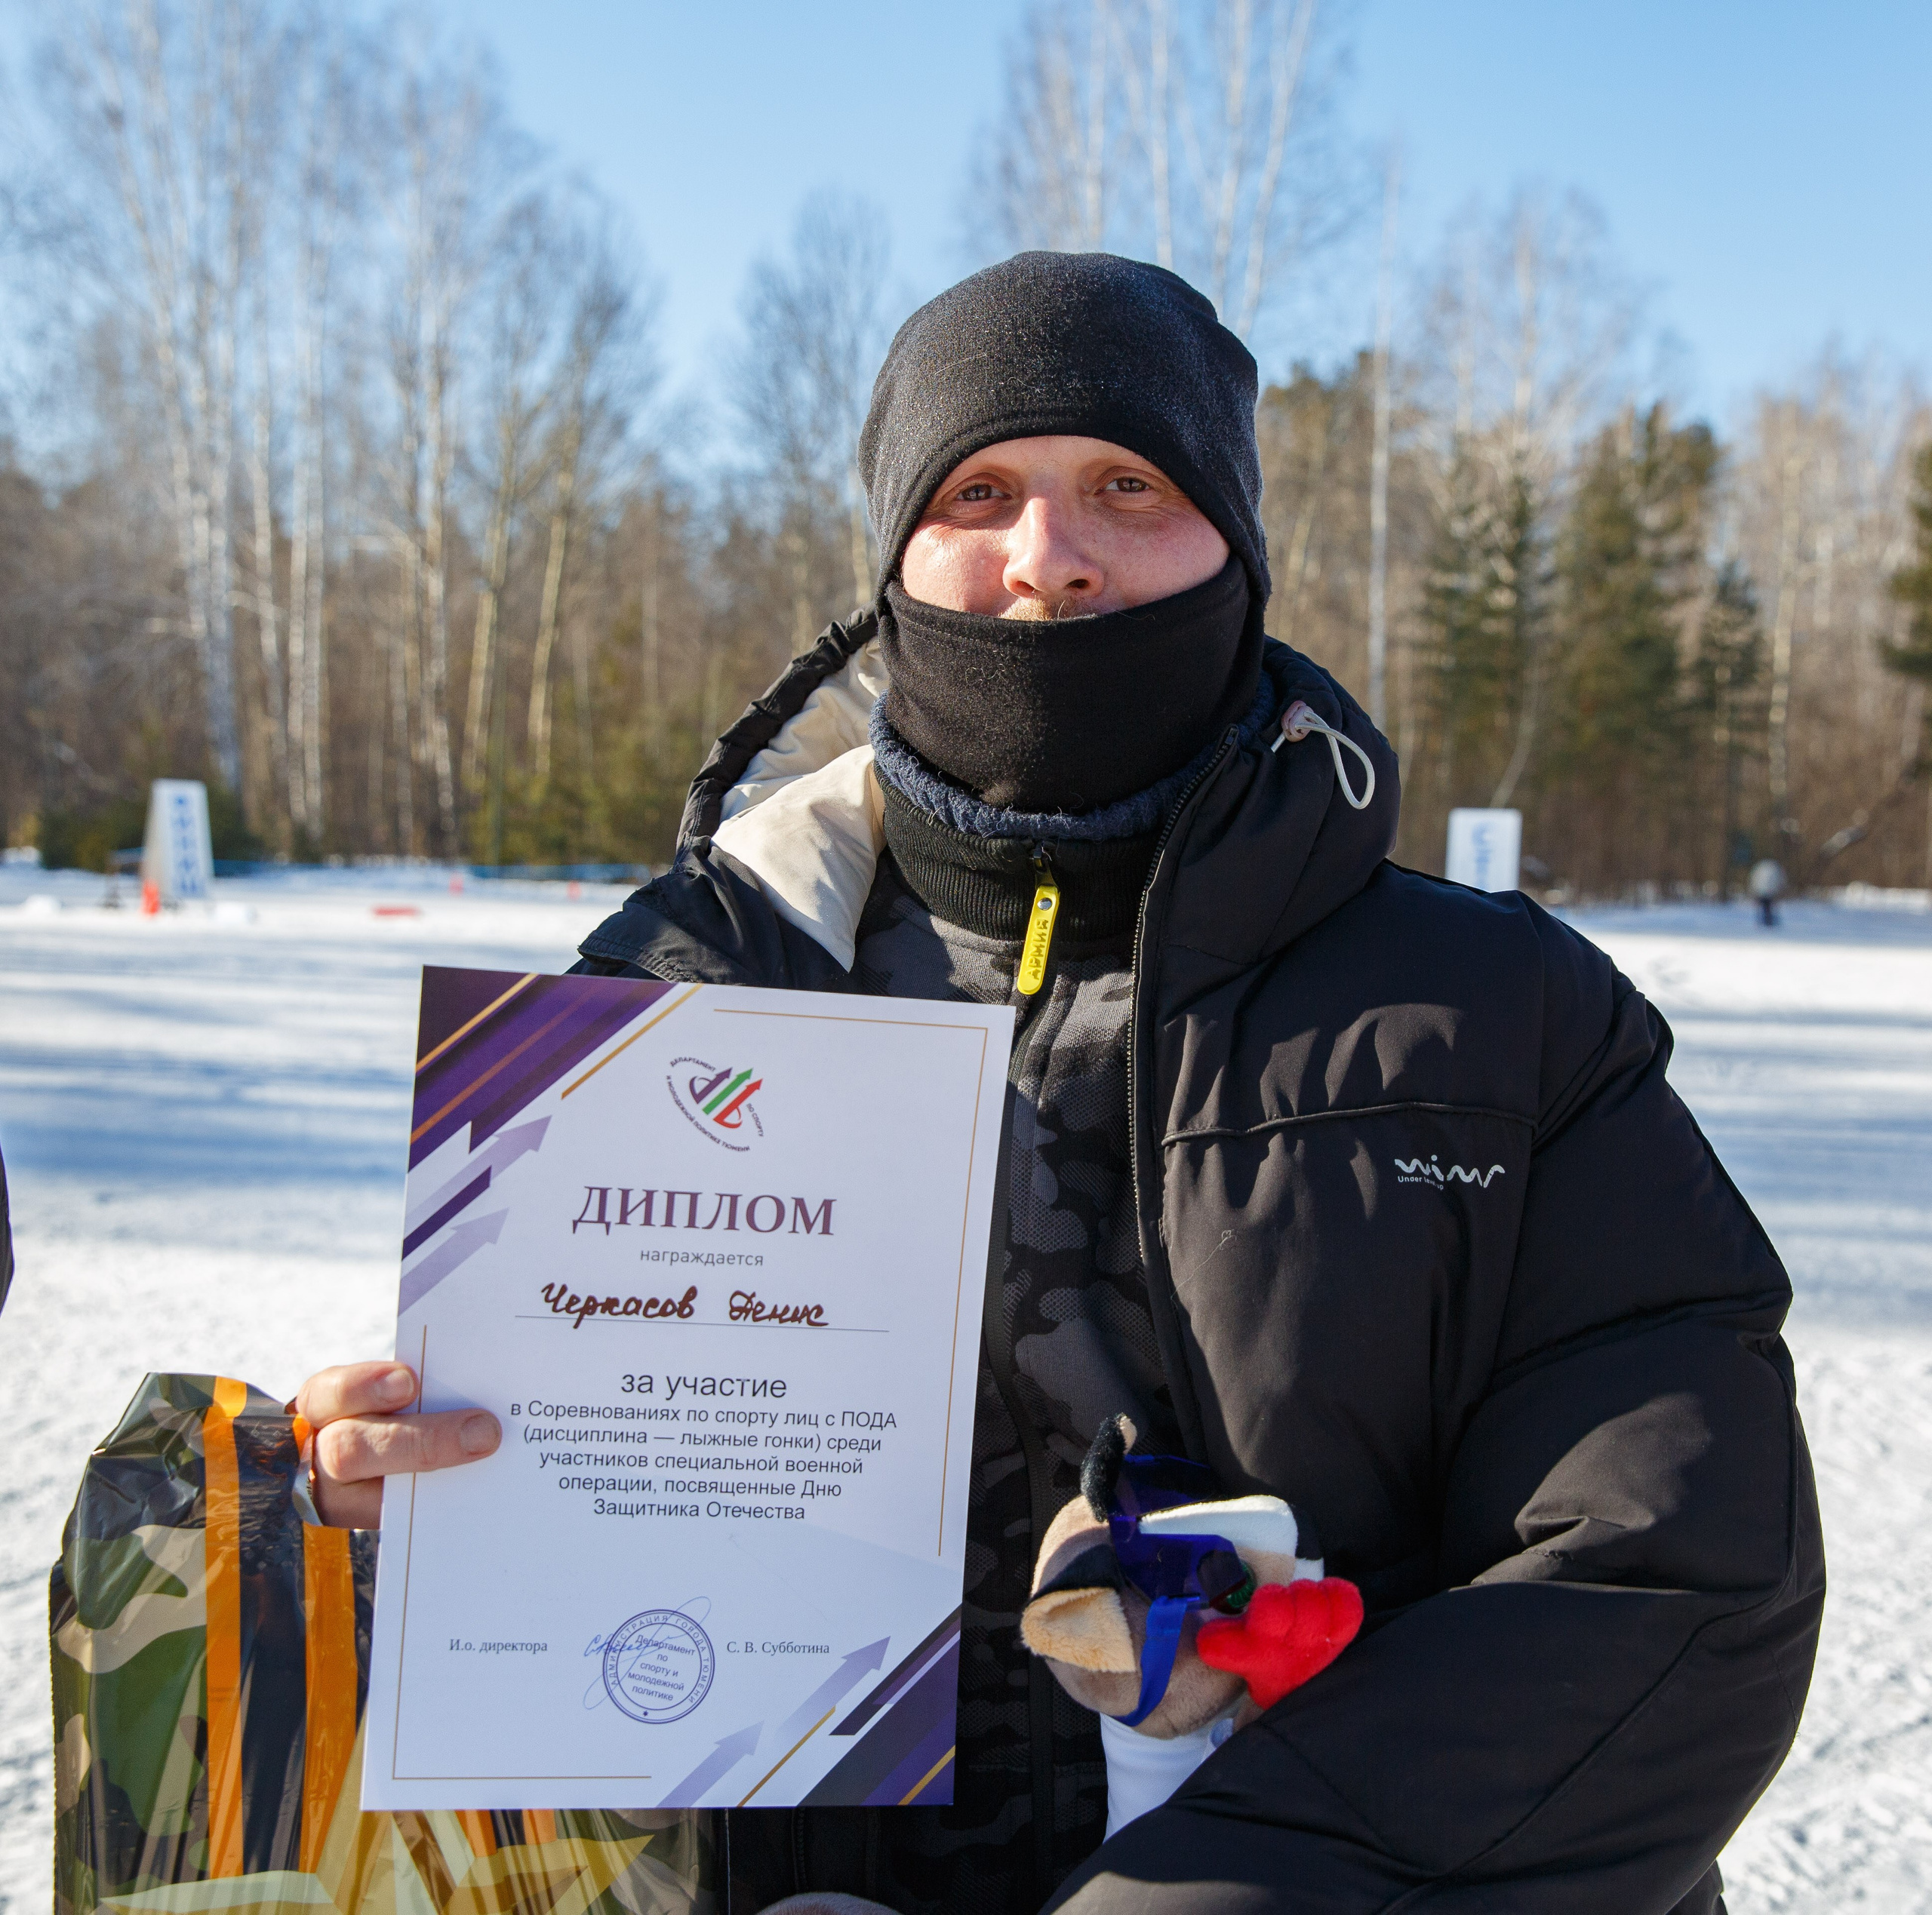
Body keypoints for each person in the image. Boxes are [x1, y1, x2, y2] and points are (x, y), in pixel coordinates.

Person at [296, 254, 1823, 1915]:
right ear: (894, 555)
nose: (1048, 558)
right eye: (977, 492)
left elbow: (1665, 1574)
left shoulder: (1492, 1020)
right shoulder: (668, 1002)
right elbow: (558, 1587)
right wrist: (401, 1521)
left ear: (1234, 545)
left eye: (1128, 486)